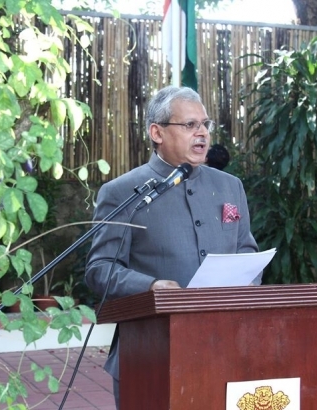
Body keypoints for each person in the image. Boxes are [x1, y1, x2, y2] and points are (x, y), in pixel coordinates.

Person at [84, 86, 260, 409]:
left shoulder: (230, 187)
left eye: (205, 124)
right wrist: (152, 286)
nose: (202, 133)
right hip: (149, 353)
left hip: (225, 346)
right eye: (190, 125)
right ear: (157, 133)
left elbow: (246, 250)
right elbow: (100, 269)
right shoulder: (122, 192)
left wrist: (247, 278)